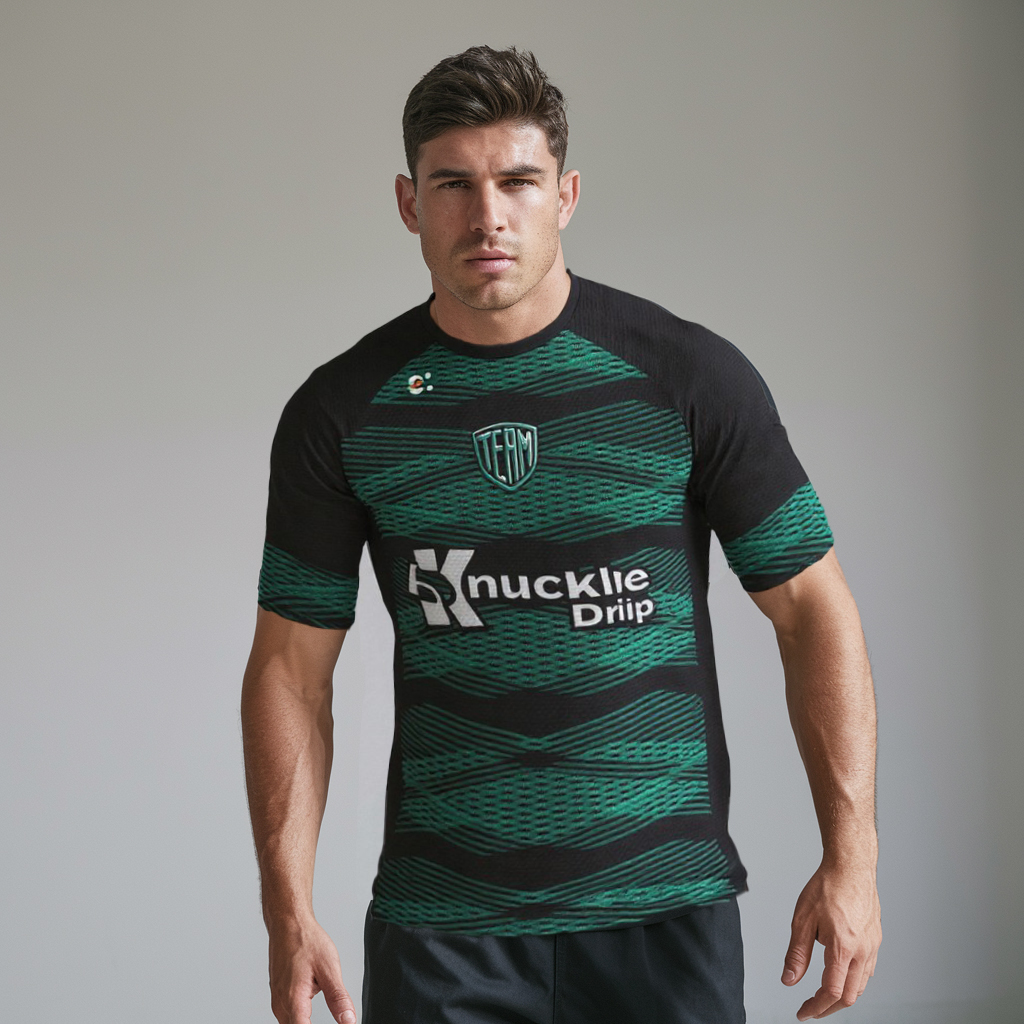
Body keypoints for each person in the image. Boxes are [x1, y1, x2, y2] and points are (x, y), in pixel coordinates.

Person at [241, 45, 881, 1024]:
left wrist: (852, 857)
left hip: (664, 919)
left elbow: (812, 608)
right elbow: (290, 669)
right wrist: (287, 909)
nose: (487, 216)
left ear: (566, 195)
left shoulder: (688, 378)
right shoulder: (345, 410)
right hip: (442, 931)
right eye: (453, 184)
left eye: (517, 181)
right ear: (410, 203)